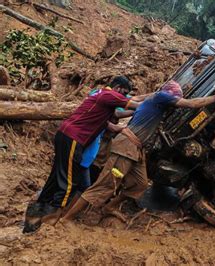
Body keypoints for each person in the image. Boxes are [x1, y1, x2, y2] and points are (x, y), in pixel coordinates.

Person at [61, 80, 215, 223]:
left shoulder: (154, 100)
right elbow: (191, 104)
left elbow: (138, 100)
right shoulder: (161, 97)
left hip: (136, 148)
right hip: (127, 146)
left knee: (140, 184)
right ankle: (66, 219)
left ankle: (109, 207)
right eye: (176, 98)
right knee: (104, 186)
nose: (175, 102)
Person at [23, 76, 143, 233]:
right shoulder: (109, 95)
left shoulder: (99, 96)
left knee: (57, 175)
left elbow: (108, 123)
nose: (123, 96)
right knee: (69, 180)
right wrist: (155, 105)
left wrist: (121, 129)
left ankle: (38, 210)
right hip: (74, 137)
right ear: (119, 88)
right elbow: (135, 105)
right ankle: (54, 217)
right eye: (124, 93)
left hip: (66, 135)